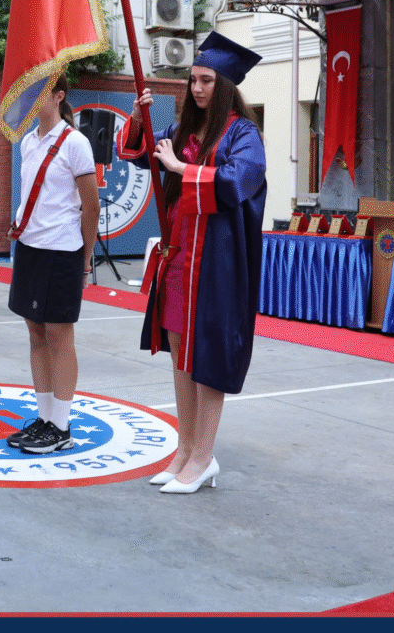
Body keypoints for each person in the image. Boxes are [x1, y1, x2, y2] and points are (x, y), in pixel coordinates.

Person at [118, 31, 266, 494]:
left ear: (224, 86)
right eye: (193, 80)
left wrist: (182, 169)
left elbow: (238, 181)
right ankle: (184, 450)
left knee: (208, 354)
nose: (197, 88)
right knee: (180, 348)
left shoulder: (242, 134)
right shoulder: (185, 130)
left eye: (206, 81)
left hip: (218, 262)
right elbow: (142, 153)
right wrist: (140, 117)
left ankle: (204, 457)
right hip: (180, 254)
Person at [5, 75, 99, 454]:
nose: (33, 98)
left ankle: (61, 427)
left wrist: (85, 260)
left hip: (62, 250)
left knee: (60, 336)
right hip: (30, 247)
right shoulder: (29, 141)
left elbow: (91, 206)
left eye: (41, 92)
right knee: (35, 332)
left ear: (59, 96)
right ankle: (45, 419)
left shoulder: (75, 143)